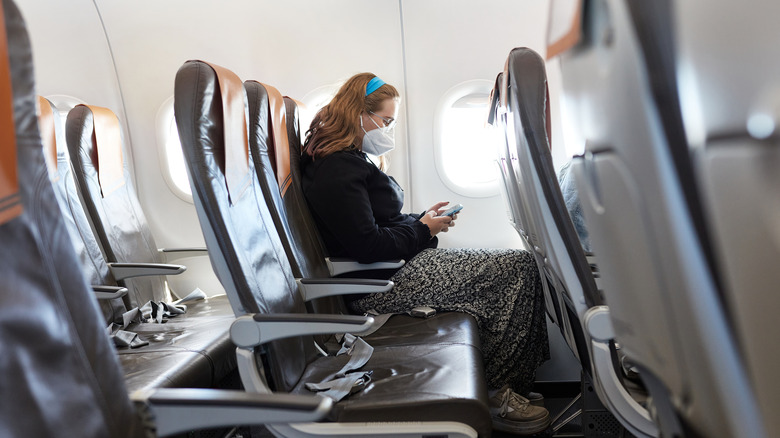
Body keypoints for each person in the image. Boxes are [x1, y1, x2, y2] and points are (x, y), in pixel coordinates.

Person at [300, 73, 551, 436]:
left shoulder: (351, 160)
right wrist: (423, 230)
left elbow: (378, 221)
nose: (388, 130)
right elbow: (366, 245)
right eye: (385, 122)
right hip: (378, 283)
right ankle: (499, 395)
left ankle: (510, 388)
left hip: (393, 270)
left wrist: (420, 220)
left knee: (514, 264)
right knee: (515, 268)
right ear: (358, 114)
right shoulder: (336, 168)